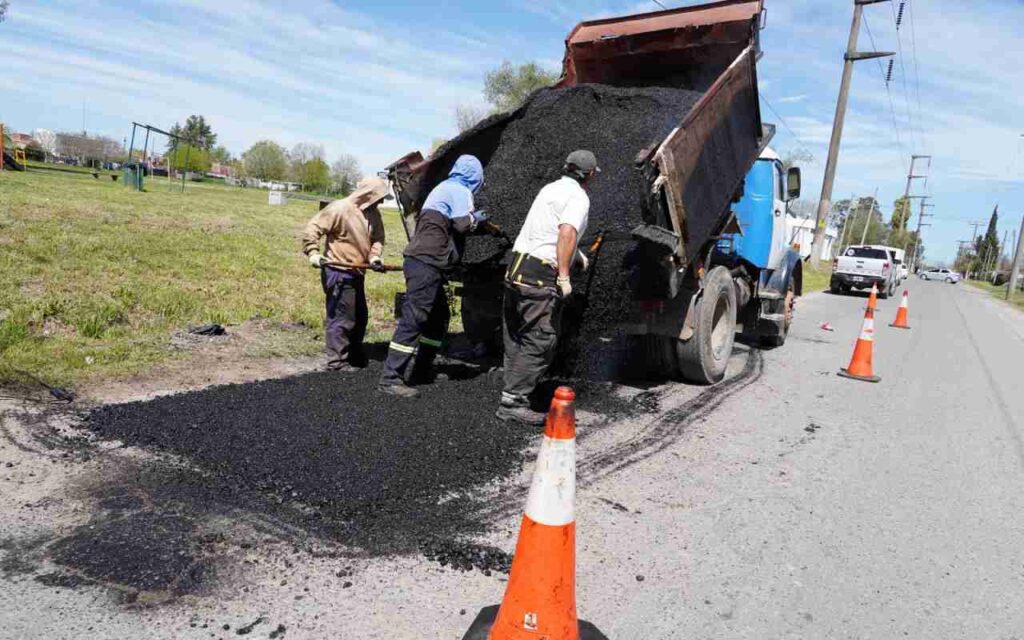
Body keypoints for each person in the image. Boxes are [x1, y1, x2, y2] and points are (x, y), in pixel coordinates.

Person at [497, 150, 599, 425]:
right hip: (540, 276)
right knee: (541, 339)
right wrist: (564, 275)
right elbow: (566, 232)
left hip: (516, 267)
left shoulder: (549, 189)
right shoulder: (578, 197)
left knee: (517, 334)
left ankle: (512, 388)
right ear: (589, 175)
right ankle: (514, 401)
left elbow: (545, 230)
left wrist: (575, 254)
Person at [379, 155, 487, 397]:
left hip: (426, 262)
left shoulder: (443, 187)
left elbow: (449, 225)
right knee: (414, 318)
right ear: (474, 176)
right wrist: (475, 219)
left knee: (438, 318)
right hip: (426, 262)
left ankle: (421, 369)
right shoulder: (460, 190)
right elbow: (460, 225)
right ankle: (390, 378)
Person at [301, 176, 389, 372]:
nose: (381, 201)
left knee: (360, 316)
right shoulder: (339, 209)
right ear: (368, 194)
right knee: (342, 317)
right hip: (337, 271)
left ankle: (354, 356)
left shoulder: (373, 214)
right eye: (379, 197)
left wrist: (374, 257)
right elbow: (312, 229)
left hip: (358, 271)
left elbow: (378, 238)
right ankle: (337, 362)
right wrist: (313, 252)